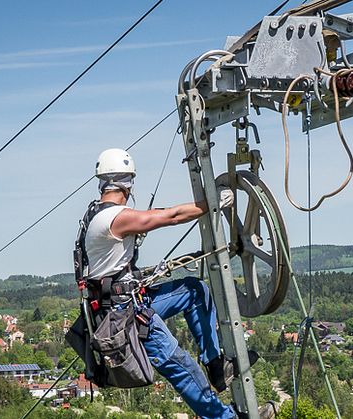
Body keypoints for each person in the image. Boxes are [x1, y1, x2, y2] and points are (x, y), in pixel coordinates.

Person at [79, 148, 274, 419]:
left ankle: (216, 366)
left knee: (195, 291)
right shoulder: (114, 218)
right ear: (127, 183)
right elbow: (168, 217)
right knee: (181, 366)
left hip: (127, 303)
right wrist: (212, 204)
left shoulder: (95, 215)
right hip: (126, 317)